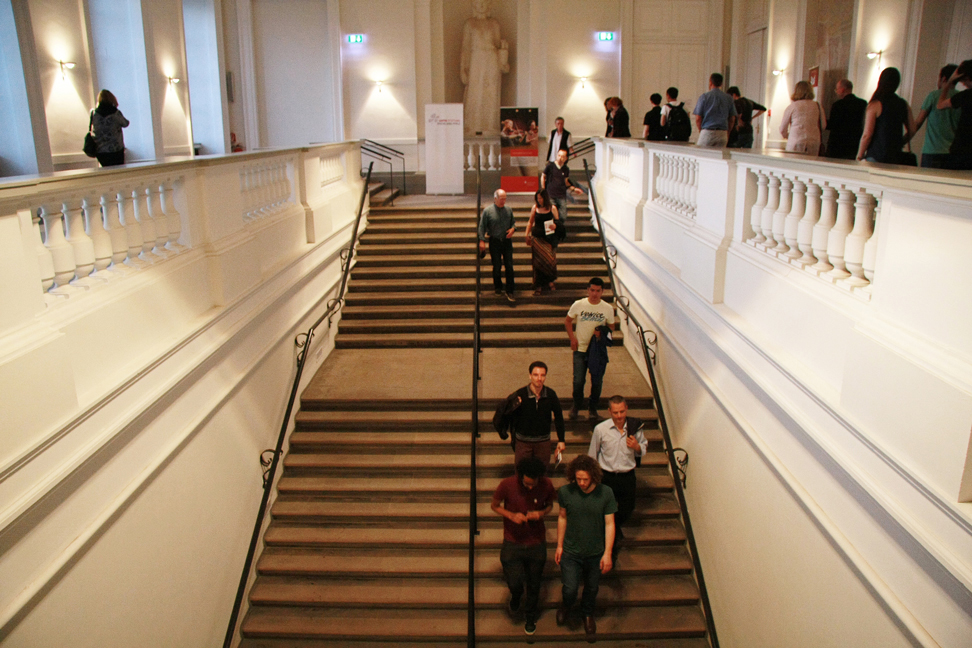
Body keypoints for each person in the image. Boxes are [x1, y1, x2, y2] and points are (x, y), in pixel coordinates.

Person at [491, 456, 556, 636]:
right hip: (513, 541)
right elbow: (494, 505)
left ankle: (530, 616)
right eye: (526, 484)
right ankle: (516, 595)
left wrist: (541, 513)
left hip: (536, 541)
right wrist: (511, 515)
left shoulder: (546, 484)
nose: (530, 487)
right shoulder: (507, 484)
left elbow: (550, 505)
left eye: (533, 484)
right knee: (514, 581)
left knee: (534, 583)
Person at [555, 454, 617, 640]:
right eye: (578, 479)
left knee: (591, 588)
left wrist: (608, 553)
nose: (581, 483)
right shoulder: (566, 492)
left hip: (595, 552)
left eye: (585, 479)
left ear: (594, 477)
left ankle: (587, 613)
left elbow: (610, 524)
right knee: (570, 589)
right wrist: (559, 545)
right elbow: (562, 517)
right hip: (571, 551)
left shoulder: (606, 493)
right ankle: (566, 605)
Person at [588, 396, 647, 560]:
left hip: (627, 476)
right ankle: (610, 551)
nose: (619, 416)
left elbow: (643, 448)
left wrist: (636, 447)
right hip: (607, 476)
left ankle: (614, 529)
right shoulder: (601, 429)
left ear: (626, 409)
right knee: (607, 511)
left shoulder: (635, 428)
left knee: (628, 508)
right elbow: (592, 454)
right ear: (609, 411)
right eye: (615, 412)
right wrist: (592, 478)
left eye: (622, 411)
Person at [565, 278, 615, 420]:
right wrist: (572, 338)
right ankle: (576, 405)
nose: (594, 294)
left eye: (598, 291)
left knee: (597, 381)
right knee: (578, 381)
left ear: (602, 291)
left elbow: (611, 327)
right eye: (592, 290)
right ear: (588, 290)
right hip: (580, 349)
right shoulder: (579, 304)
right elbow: (568, 321)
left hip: (597, 351)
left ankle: (593, 408)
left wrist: (602, 332)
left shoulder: (607, 308)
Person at [502, 360, 567, 466]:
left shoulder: (550, 394)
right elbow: (506, 414)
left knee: (542, 472)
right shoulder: (521, 394)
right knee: (521, 471)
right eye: (536, 375)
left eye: (542, 375)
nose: (539, 378)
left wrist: (561, 440)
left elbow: (559, 417)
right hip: (523, 442)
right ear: (530, 376)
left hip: (543, 441)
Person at [460, 0, 509, 136]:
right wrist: (463, 68)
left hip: (492, 60)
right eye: (478, 2)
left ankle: (491, 125)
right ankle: (473, 126)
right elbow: (465, 48)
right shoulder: (470, 24)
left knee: (491, 92)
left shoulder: (494, 24)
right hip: (476, 60)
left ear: (489, 5)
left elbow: (498, 45)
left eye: (484, 2)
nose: (481, 5)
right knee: (475, 92)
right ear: (474, 4)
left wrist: (503, 56)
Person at [857, 67, 916, 164]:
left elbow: (867, 135)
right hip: (895, 157)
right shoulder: (903, 104)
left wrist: (859, 155)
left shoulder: (875, 104)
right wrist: (901, 142)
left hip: (876, 155)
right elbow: (912, 130)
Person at [914, 64, 960, 169]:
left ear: (943, 79)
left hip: (932, 151)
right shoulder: (960, 97)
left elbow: (918, 123)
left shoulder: (933, 96)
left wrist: (904, 140)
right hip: (952, 153)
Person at [478, 189, 516, 302]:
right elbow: (482, 227)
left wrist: (513, 229)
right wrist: (481, 240)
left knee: (509, 265)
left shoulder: (508, 210)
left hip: (506, 241)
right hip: (494, 241)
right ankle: (498, 287)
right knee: (497, 265)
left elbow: (513, 223)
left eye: (505, 199)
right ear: (495, 199)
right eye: (501, 199)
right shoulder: (488, 211)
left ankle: (510, 290)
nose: (503, 201)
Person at [935, 60, 972, 170]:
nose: (963, 84)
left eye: (963, 81)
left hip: (962, 148)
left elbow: (940, 105)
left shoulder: (966, 96)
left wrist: (950, 81)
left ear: (967, 78)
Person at [525, 190, 560, 295]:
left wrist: (555, 226)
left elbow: (558, 222)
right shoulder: (535, 208)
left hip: (549, 238)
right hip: (537, 238)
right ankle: (538, 285)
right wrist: (526, 234)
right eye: (538, 198)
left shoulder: (552, 208)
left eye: (541, 198)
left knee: (550, 260)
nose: (539, 200)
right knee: (538, 262)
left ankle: (550, 280)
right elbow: (530, 222)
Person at [780, 81, 826, 155]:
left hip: (795, 141)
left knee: (794, 161)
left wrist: (789, 136)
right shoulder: (818, 106)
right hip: (814, 142)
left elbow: (782, 129)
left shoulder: (792, 106)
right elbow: (823, 125)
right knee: (810, 162)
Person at [825, 79, 867, 160]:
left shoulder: (837, 105)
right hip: (854, 143)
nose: (836, 92)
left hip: (837, 145)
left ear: (842, 90)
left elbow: (833, 124)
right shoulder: (862, 103)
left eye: (837, 89)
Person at [541, 149, 583, 227]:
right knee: (551, 213)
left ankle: (558, 228)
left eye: (562, 156)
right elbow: (543, 176)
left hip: (561, 194)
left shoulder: (565, 169)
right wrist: (543, 189)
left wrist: (574, 189)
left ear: (566, 158)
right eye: (559, 155)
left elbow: (566, 182)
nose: (560, 158)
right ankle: (550, 231)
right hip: (550, 193)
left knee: (563, 215)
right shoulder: (550, 166)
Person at [693, 72, 737, 147]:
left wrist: (701, 130)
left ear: (710, 82)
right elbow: (732, 119)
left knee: (701, 153)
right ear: (721, 83)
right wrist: (728, 131)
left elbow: (698, 118)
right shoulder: (729, 98)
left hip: (708, 131)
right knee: (719, 154)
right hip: (722, 132)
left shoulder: (704, 97)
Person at [91, 89, 129, 167]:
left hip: (101, 150)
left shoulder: (94, 113)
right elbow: (125, 123)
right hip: (116, 150)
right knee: (118, 171)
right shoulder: (115, 113)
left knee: (106, 172)